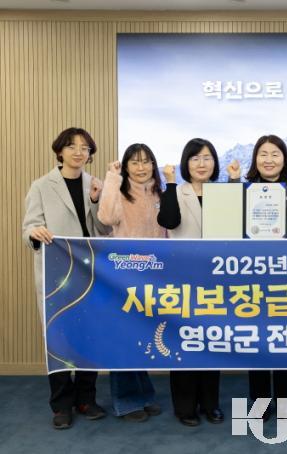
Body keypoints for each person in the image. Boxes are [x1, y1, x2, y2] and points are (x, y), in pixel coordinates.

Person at [22, 127, 111, 429]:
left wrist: (97, 201)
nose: (78, 152)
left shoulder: (95, 184)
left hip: (89, 272)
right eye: (72, 146)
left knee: (90, 337)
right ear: (60, 151)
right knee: (58, 338)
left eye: (85, 148)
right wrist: (34, 233)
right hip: (57, 275)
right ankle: (61, 405)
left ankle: (86, 399)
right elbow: (29, 227)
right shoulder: (41, 186)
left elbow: (104, 231)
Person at [227, 134, 287, 420]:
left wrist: (283, 252)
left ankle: (284, 402)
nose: (269, 160)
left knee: (283, 341)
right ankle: (259, 403)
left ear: (284, 159)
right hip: (252, 276)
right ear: (255, 159)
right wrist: (234, 182)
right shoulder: (244, 189)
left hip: (285, 276)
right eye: (263, 154)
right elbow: (231, 221)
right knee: (256, 341)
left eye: (275, 154)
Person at [157, 138, 224, 426]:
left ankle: (211, 404)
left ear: (215, 163)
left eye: (207, 157)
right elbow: (169, 221)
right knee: (184, 341)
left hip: (216, 278)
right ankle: (185, 407)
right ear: (186, 163)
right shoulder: (175, 191)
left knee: (212, 342)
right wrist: (171, 183)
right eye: (195, 158)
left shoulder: (223, 193)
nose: (201, 163)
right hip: (183, 278)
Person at [97, 143, 165, 422]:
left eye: (146, 161)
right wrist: (112, 178)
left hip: (154, 276)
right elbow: (106, 218)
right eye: (134, 162)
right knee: (123, 338)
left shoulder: (159, 192)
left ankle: (144, 395)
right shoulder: (119, 189)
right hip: (122, 276)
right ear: (125, 166)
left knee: (140, 338)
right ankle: (126, 402)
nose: (141, 167)